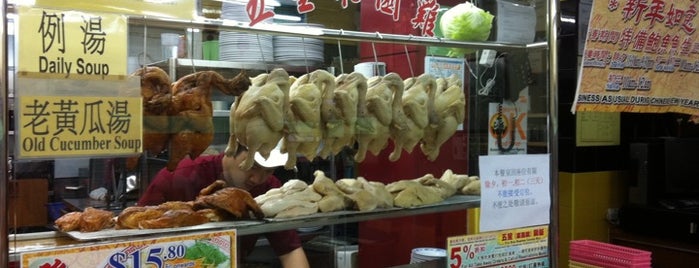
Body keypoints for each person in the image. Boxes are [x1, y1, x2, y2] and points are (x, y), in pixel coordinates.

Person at [138, 143, 310, 268]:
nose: (257, 179)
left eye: (268, 170)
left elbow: (290, 251)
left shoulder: (269, 188)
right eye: (252, 166)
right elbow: (134, 234)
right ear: (232, 149)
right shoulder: (179, 175)